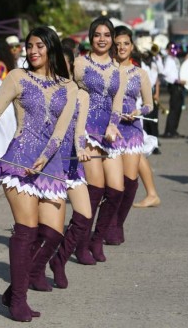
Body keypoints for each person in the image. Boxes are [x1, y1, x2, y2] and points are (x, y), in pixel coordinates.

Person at [0, 26, 77, 322]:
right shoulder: (17, 77)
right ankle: (19, 298)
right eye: (29, 46)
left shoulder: (69, 87)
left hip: (51, 165)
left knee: (52, 233)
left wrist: (45, 159)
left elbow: (60, 131)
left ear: (51, 49)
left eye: (39, 46)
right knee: (27, 229)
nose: (32, 51)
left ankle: (12, 289)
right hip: (19, 160)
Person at [72, 16, 126, 264]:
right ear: (91, 38)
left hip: (109, 134)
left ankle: (97, 239)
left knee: (116, 190)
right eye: (97, 35)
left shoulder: (118, 69)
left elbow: (117, 103)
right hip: (87, 131)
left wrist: (114, 125)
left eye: (106, 35)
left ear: (111, 38)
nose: (102, 39)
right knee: (96, 188)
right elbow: (71, 95)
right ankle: (80, 245)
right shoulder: (80, 64)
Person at [48, 46, 92, 290]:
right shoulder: (46, 90)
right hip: (47, 162)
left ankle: (60, 260)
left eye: (67, 65)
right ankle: (32, 268)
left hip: (72, 161)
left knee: (84, 215)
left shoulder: (81, 95)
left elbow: (79, 130)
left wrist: (82, 147)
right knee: (49, 227)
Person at [104, 27, 153, 245]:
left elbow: (150, 105)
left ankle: (117, 223)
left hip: (132, 129)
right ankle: (108, 223)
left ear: (132, 46)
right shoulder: (106, 70)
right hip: (110, 129)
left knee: (129, 181)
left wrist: (137, 112)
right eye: (118, 44)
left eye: (126, 43)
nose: (121, 47)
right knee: (113, 185)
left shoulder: (140, 73)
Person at [161, 43, 185, 138]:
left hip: (179, 86)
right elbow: (165, 73)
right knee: (174, 109)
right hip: (174, 86)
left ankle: (174, 130)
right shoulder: (169, 60)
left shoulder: (175, 59)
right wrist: (176, 80)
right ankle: (169, 131)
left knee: (178, 109)